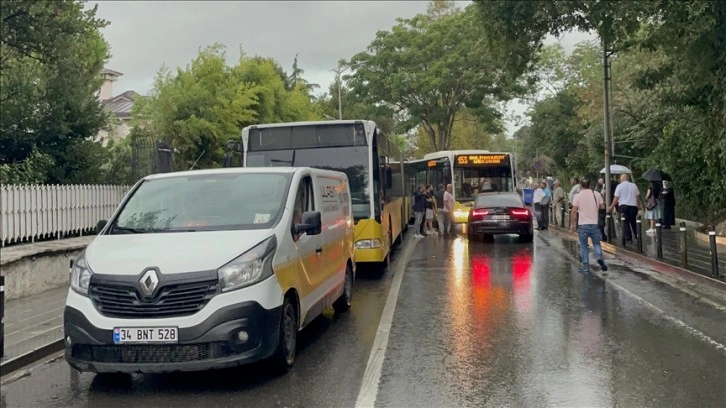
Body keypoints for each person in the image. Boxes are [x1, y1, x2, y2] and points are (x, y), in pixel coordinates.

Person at [570, 177, 608, 273]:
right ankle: (600, 257)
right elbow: (602, 206)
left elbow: (574, 211)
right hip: (594, 224)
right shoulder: (596, 194)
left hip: (583, 225)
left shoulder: (577, 196)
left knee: (583, 246)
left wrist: (572, 224)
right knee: (596, 244)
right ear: (590, 185)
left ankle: (586, 267)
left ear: (580, 185)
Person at [608, 173, 644, 246]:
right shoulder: (634, 185)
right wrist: (638, 205)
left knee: (625, 222)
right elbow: (637, 196)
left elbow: (616, 198)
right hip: (633, 206)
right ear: (628, 178)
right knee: (633, 221)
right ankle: (637, 235)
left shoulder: (619, 186)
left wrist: (611, 206)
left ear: (621, 179)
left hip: (623, 206)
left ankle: (628, 238)